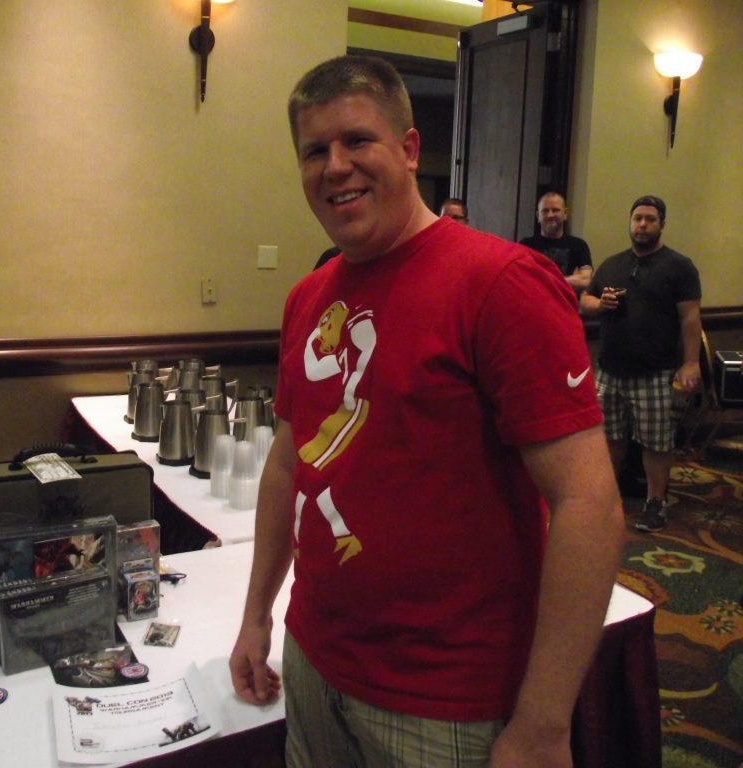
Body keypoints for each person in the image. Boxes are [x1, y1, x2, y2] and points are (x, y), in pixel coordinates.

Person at [229, 55, 625, 768]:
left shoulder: (500, 282)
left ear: (410, 149)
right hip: (315, 657)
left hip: (445, 699)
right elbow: (288, 467)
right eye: (315, 151)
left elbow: (589, 506)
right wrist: (257, 615)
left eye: (358, 140)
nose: (336, 166)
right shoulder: (308, 297)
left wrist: (542, 724)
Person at [580, 195, 702, 533]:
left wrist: (691, 362)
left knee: (656, 443)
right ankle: (608, 498)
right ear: (630, 222)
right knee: (610, 438)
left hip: (655, 371)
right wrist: (599, 304)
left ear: (662, 224)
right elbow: (584, 301)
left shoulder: (680, 266)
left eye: (650, 219)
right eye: (637, 218)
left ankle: (655, 503)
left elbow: (691, 318)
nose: (642, 225)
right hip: (610, 370)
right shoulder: (612, 264)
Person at [519, 191, 592, 291]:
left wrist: (541, 279)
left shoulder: (578, 245)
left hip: (565, 301)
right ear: (538, 216)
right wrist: (569, 279)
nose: (550, 215)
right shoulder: (525, 245)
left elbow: (585, 280)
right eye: (545, 211)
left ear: (565, 214)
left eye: (555, 210)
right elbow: (519, 278)